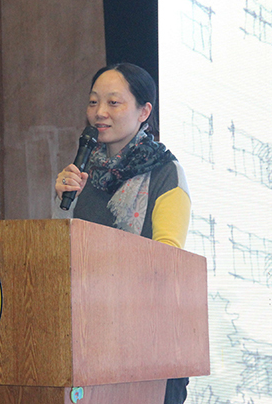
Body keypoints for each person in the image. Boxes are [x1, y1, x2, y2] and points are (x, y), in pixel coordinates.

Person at [53, 63, 191, 403]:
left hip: (150, 342)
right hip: (91, 338)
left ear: (144, 112)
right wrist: (62, 203)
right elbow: (65, 256)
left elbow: (167, 258)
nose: (99, 112)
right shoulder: (83, 172)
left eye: (113, 103)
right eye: (93, 102)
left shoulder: (166, 172)